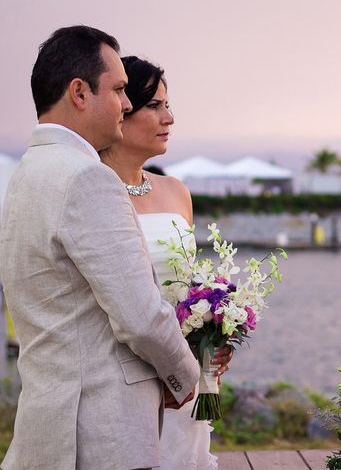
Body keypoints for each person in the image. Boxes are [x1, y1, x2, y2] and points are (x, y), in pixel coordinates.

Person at [0, 26, 200, 470]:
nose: (126, 104)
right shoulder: (88, 179)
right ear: (79, 93)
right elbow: (141, 317)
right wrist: (189, 377)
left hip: (48, 426)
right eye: (118, 90)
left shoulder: (26, 174)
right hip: (101, 437)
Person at [99, 56, 233, 470]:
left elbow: (192, 291)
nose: (169, 118)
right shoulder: (94, 192)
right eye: (154, 106)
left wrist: (212, 347)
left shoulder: (177, 192)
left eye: (168, 105)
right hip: (126, 381)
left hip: (188, 385)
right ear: (123, 110)